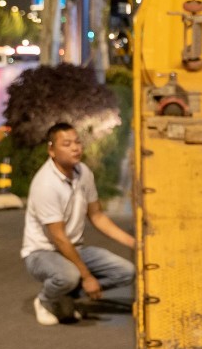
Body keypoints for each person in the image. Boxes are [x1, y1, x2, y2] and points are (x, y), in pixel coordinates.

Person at [21, 122, 136, 326]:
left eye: (77, 142)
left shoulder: (83, 172)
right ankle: (46, 300)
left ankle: (65, 296)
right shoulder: (46, 184)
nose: (75, 148)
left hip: (74, 249)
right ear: (51, 150)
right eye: (66, 144)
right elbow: (58, 237)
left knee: (126, 271)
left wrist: (134, 243)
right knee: (70, 275)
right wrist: (87, 276)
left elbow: (97, 216)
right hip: (42, 253)